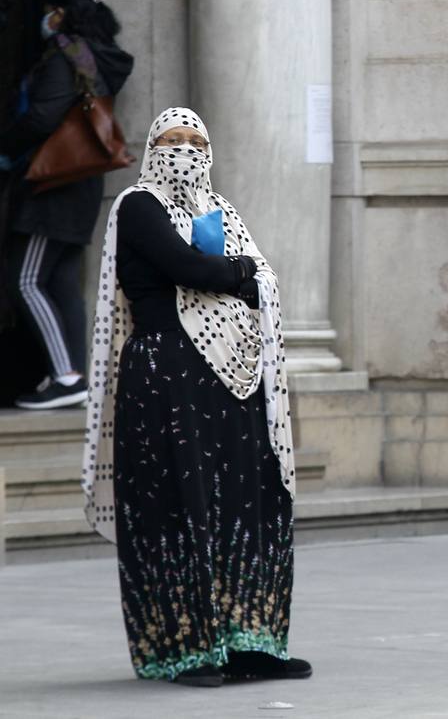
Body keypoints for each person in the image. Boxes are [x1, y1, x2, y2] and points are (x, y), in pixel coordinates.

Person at [81, 107, 311, 687]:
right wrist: (235, 274)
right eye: (171, 140)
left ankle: (251, 641)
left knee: (244, 501)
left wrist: (234, 273)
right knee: (178, 507)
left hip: (234, 379)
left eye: (194, 140)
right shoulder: (137, 205)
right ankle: (185, 648)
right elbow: (184, 265)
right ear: (153, 148)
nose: (183, 150)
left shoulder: (223, 210)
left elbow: (259, 277)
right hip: (165, 376)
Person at [0, 0, 133, 409]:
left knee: (24, 280)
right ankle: (76, 374)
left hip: (54, 185)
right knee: (59, 282)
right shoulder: (93, 58)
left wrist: (6, 148)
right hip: (78, 184)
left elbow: (43, 118)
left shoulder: (66, 58)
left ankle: (67, 375)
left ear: (58, 12)